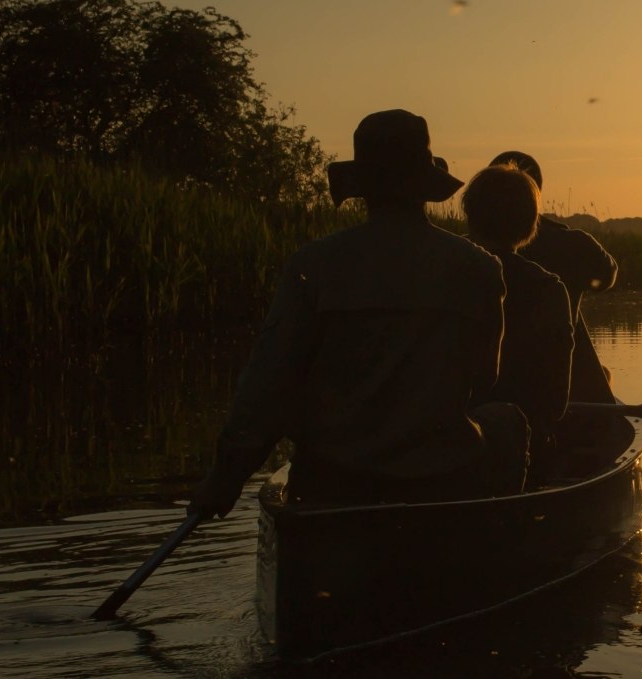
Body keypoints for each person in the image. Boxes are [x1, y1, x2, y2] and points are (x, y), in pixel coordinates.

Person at [189, 109, 522, 517]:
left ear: (364, 187)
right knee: (505, 421)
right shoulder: (480, 268)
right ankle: (496, 544)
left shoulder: (314, 264)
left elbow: (268, 387)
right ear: (424, 185)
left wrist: (224, 480)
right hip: (440, 476)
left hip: (333, 481)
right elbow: (483, 380)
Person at [461, 163, 574, 473]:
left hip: (443, 446)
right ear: (529, 224)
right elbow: (555, 404)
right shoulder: (549, 289)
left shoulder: (442, 275)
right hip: (526, 451)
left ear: (471, 215)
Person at [487, 151, 619, 406]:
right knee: (603, 375)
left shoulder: (463, 250)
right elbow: (608, 276)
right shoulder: (573, 244)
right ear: (535, 194)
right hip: (562, 389)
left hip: (489, 394)